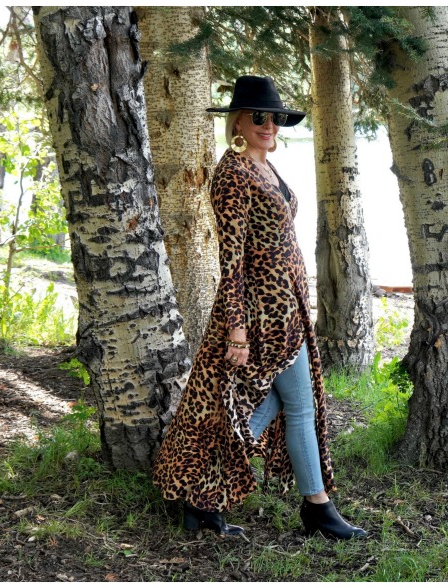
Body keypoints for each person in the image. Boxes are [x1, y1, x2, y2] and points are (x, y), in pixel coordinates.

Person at [152, 75, 366, 540]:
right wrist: (236, 328)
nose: (268, 125)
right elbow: (230, 258)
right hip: (260, 316)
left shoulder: (265, 166)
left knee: (281, 404)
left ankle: (207, 499)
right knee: (294, 404)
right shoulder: (231, 173)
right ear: (239, 121)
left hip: (287, 308)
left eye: (274, 118)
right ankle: (313, 508)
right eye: (258, 117)